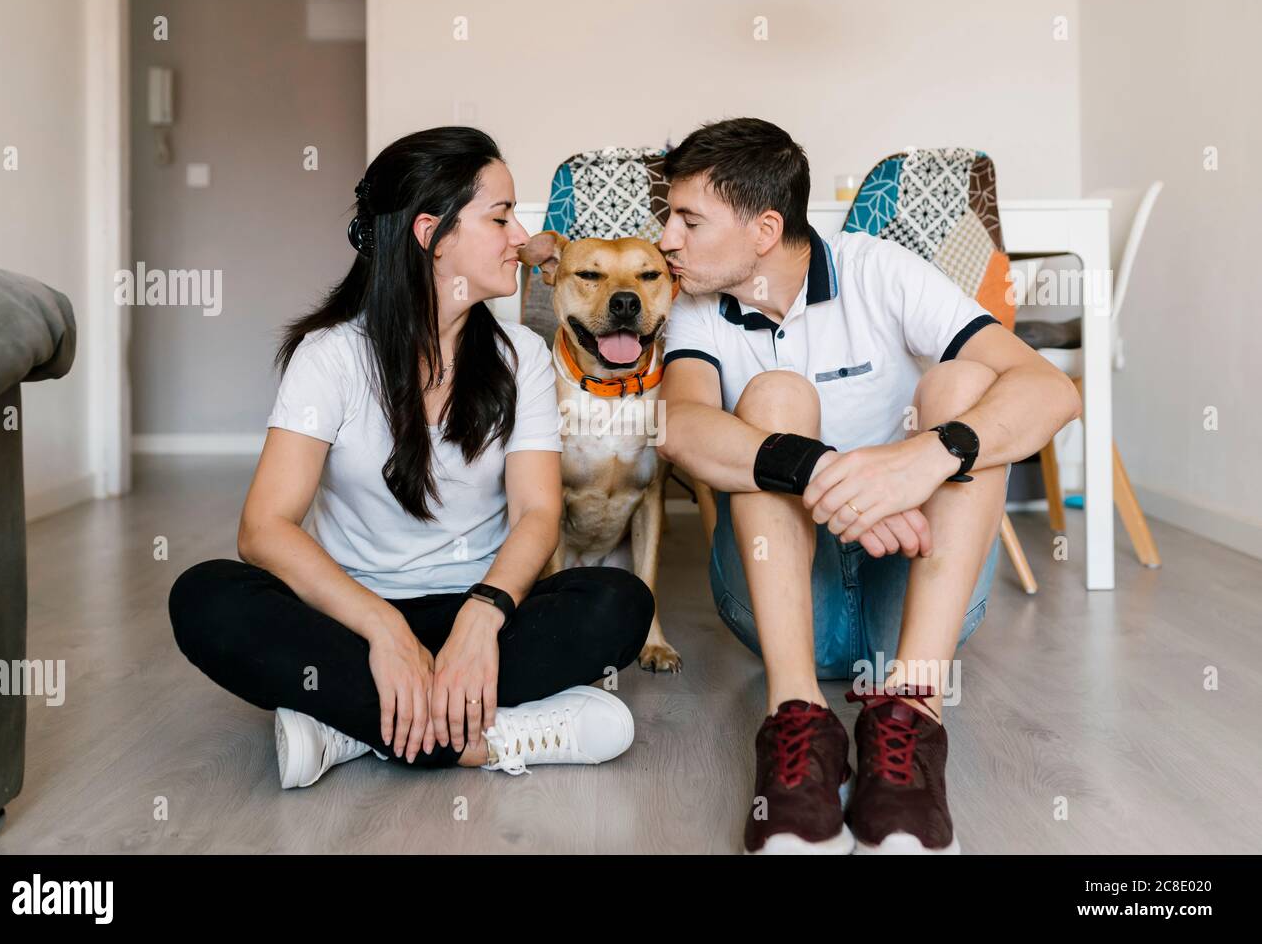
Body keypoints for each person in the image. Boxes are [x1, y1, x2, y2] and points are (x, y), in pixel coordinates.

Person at [169, 126, 654, 788]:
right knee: (204, 597)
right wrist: (385, 632)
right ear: (431, 233)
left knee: (619, 602)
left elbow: (539, 513)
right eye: (501, 216)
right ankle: (491, 734)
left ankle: (346, 727)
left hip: (482, 613)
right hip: (353, 619)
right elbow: (264, 528)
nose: (522, 237)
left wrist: (483, 616)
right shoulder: (331, 358)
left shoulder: (521, 357)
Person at [656, 118, 1081, 853]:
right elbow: (679, 425)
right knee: (775, 398)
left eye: (688, 220)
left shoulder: (878, 268)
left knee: (963, 382)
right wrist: (823, 472)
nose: (666, 238)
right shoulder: (694, 306)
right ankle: (796, 718)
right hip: (786, 606)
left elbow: (1050, 390)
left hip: (910, 602)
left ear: (764, 229)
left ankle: (912, 715)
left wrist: (927, 458)